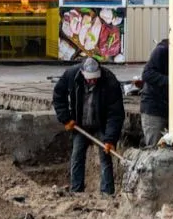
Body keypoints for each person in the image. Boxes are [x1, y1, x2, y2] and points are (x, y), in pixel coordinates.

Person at [53, 57, 125, 195]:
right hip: (80, 125)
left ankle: (107, 193)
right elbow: (58, 95)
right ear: (82, 73)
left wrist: (110, 139)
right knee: (77, 156)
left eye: (95, 78)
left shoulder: (109, 81)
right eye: (89, 78)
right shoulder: (71, 75)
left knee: (105, 157)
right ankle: (76, 191)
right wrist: (65, 118)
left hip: (101, 125)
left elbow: (115, 113)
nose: (92, 81)